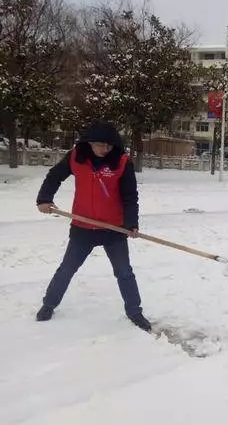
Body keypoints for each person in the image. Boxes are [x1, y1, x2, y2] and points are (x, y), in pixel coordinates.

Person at [35, 121, 151, 332]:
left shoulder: (122, 162)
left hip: (114, 230)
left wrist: (131, 223)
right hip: (82, 227)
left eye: (108, 146)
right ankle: (48, 304)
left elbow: (129, 196)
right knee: (67, 269)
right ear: (89, 142)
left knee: (124, 272)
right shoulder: (76, 156)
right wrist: (44, 199)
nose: (104, 149)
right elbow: (54, 176)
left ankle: (135, 312)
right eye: (99, 145)